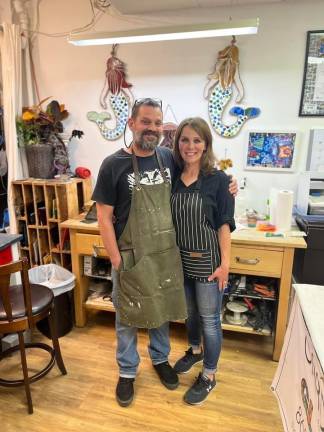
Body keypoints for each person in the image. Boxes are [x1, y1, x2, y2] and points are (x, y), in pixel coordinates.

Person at [92, 99, 237, 408]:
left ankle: (160, 360)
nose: (153, 128)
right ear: (131, 124)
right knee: (127, 317)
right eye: (146, 122)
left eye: (157, 123)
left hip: (163, 256)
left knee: (161, 311)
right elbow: (104, 217)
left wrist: (230, 184)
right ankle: (127, 372)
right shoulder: (112, 164)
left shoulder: (167, 158)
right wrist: (116, 260)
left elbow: (204, 173)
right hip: (130, 256)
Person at [171, 117, 235, 406]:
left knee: (210, 321)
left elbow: (224, 224)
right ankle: (194, 351)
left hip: (209, 263)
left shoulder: (218, 179)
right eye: (185, 139)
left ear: (206, 144)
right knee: (190, 314)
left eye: (197, 140)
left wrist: (225, 265)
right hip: (180, 260)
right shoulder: (172, 176)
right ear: (178, 143)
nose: (191, 146)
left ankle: (209, 375)